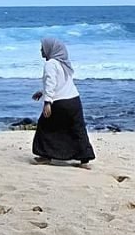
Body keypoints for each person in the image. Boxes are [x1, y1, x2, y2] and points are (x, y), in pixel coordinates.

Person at [31, 37, 95, 168]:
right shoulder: (64, 64)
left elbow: (51, 82)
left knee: (45, 126)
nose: (41, 50)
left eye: (43, 47)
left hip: (60, 102)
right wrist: (42, 93)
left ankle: (45, 156)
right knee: (78, 129)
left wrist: (47, 102)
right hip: (74, 101)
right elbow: (61, 84)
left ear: (50, 49)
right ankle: (84, 159)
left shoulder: (50, 64)